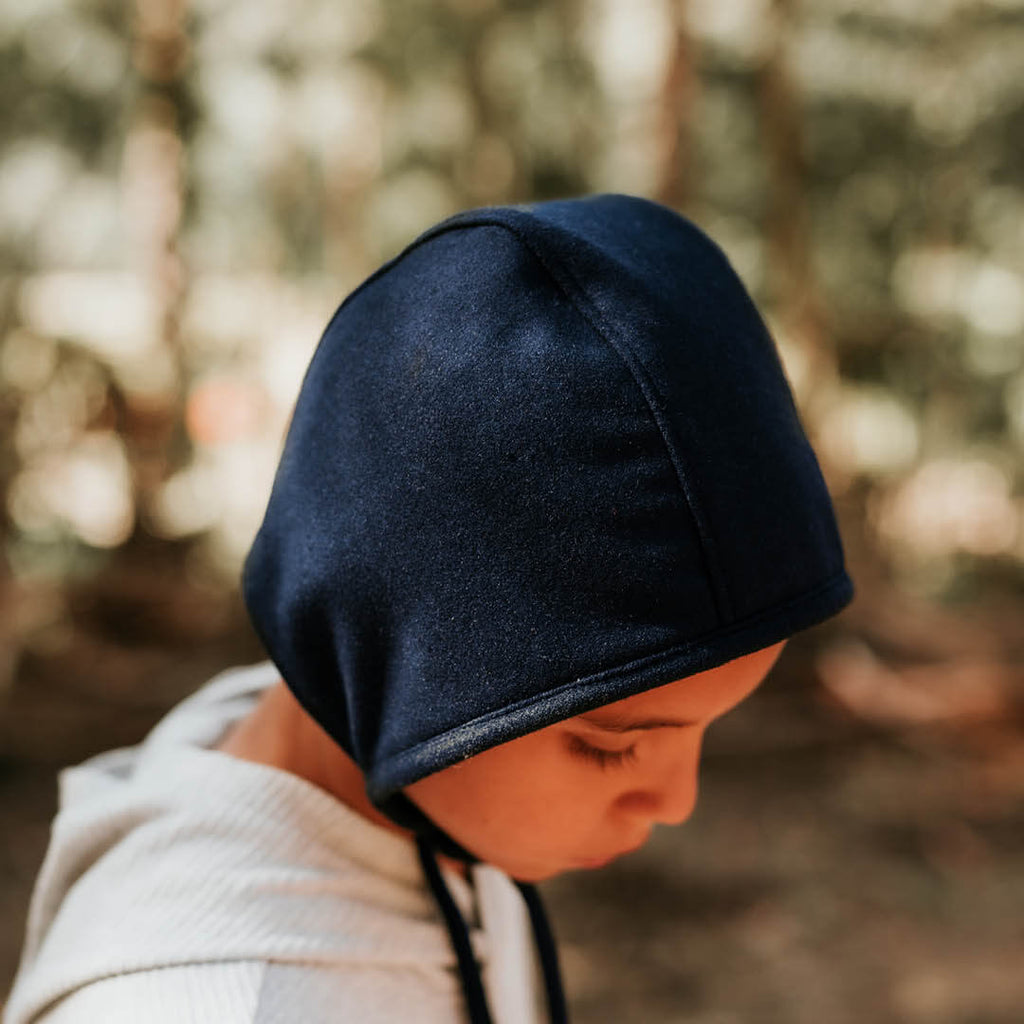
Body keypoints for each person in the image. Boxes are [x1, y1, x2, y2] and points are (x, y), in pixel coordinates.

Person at [4, 195, 853, 1024]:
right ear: (426, 667)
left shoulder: (412, 789)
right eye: (610, 746)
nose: (676, 803)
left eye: (708, 724)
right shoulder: (216, 999)